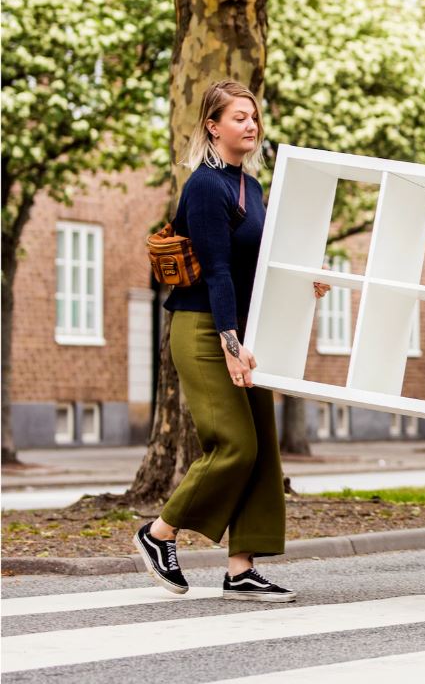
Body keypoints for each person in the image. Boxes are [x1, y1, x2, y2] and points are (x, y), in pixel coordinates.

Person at [133, 81, 331, 602]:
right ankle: (159, 534)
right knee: (234, 446)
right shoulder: (205, 187)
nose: (250, 124)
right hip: (203, 330)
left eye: (254, 116)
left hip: (246, 330)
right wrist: (228, 342)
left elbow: (259, 265)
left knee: (262, 448)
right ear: (212, 126)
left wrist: (305, 278)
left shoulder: (253, 188)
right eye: (238, 117)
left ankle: (241, 568)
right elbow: (217, 270)